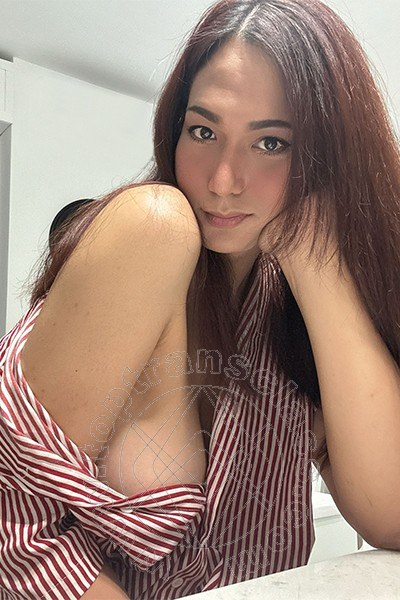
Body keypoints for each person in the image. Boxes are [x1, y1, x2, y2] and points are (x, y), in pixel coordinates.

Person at [1, 0, 400, 598]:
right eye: (204, 131)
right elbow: (13, 524)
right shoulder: (151, 231)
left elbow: (389, 516)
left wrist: (317, 264)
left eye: (271, 143)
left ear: (327, 159)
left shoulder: (288, 307)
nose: (222, 180)